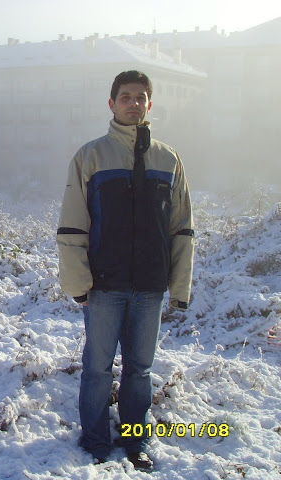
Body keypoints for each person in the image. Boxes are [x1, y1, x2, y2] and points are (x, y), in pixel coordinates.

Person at [56, 70, 194, 471]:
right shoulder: (91, 156)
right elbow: (72, 224)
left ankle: (136, 441)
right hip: (104, 285)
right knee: (97, 368)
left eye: (141, 96)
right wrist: (78, 282)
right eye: (125, 96)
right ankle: (96, 441)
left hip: (149, 287)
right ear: (112, 103)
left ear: (150, 104)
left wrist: (179, 285)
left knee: (140, 370)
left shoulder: (169, 160)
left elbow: (181, 227)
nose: (133, 102)